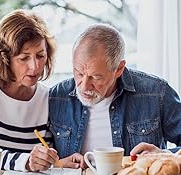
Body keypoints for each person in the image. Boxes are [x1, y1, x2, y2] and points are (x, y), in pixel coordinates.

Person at [49, 24, 181, 164]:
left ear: (119, 69)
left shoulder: (156, 93)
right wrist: (55, 164)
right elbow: (41, 159)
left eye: (96, 77)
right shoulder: (56, 97)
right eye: (79, 73)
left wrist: (164, 155)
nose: (84, 86)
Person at [0, 9, 59, 172]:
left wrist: (56, 161)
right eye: (23, 58)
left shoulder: (47, 97)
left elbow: (43, 161)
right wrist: (25, 162)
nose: (34, 67)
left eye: (40, 56)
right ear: (3, 57)